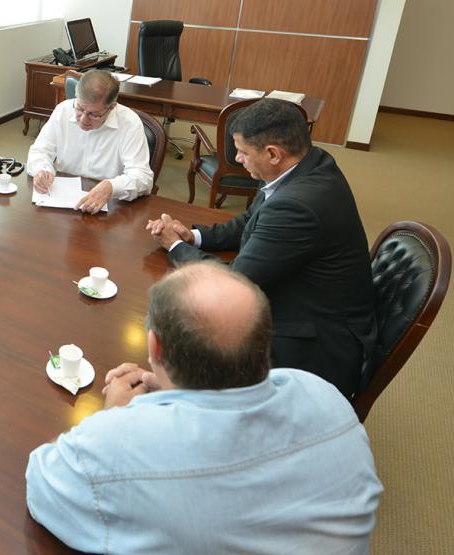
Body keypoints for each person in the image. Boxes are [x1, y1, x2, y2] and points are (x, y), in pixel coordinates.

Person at [26, 261, 383, 554]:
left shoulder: (115, 447)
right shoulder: (327, 397)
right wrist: (169, 390)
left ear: (154, 347)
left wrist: (116, 417)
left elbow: (41, 485)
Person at [147, 98, 377, 399]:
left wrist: (175, 246)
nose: (238, 160)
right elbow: (250, 220)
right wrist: (193, 237)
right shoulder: (306, 164)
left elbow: (234, 284)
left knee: (188, 340)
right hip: (311, 301)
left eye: (242, 152)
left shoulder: (298, 205)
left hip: (314, 343)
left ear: (272, 153)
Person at [27, 69, 153, 214]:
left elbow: (143, 177)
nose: (83, 120)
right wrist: (42, 170)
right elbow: (40, 151)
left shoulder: (129, 123)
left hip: (109, 208)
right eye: (80, 108)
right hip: (63, 204)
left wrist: (112, 187)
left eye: (94, 114)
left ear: (112, 107)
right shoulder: (63, 110)